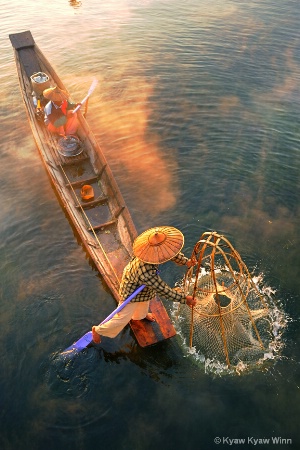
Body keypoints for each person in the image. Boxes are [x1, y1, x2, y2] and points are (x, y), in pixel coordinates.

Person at [92, 226, 196, 343]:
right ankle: (98, 330)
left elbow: (171, 253)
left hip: (143, 287)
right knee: (123, 318)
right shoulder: (147, 272)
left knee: (144, 302)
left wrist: (186, 261)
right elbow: (163, 289)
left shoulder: (151, 251)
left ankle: (141, 316)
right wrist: (184, 299)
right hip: (131, 290)